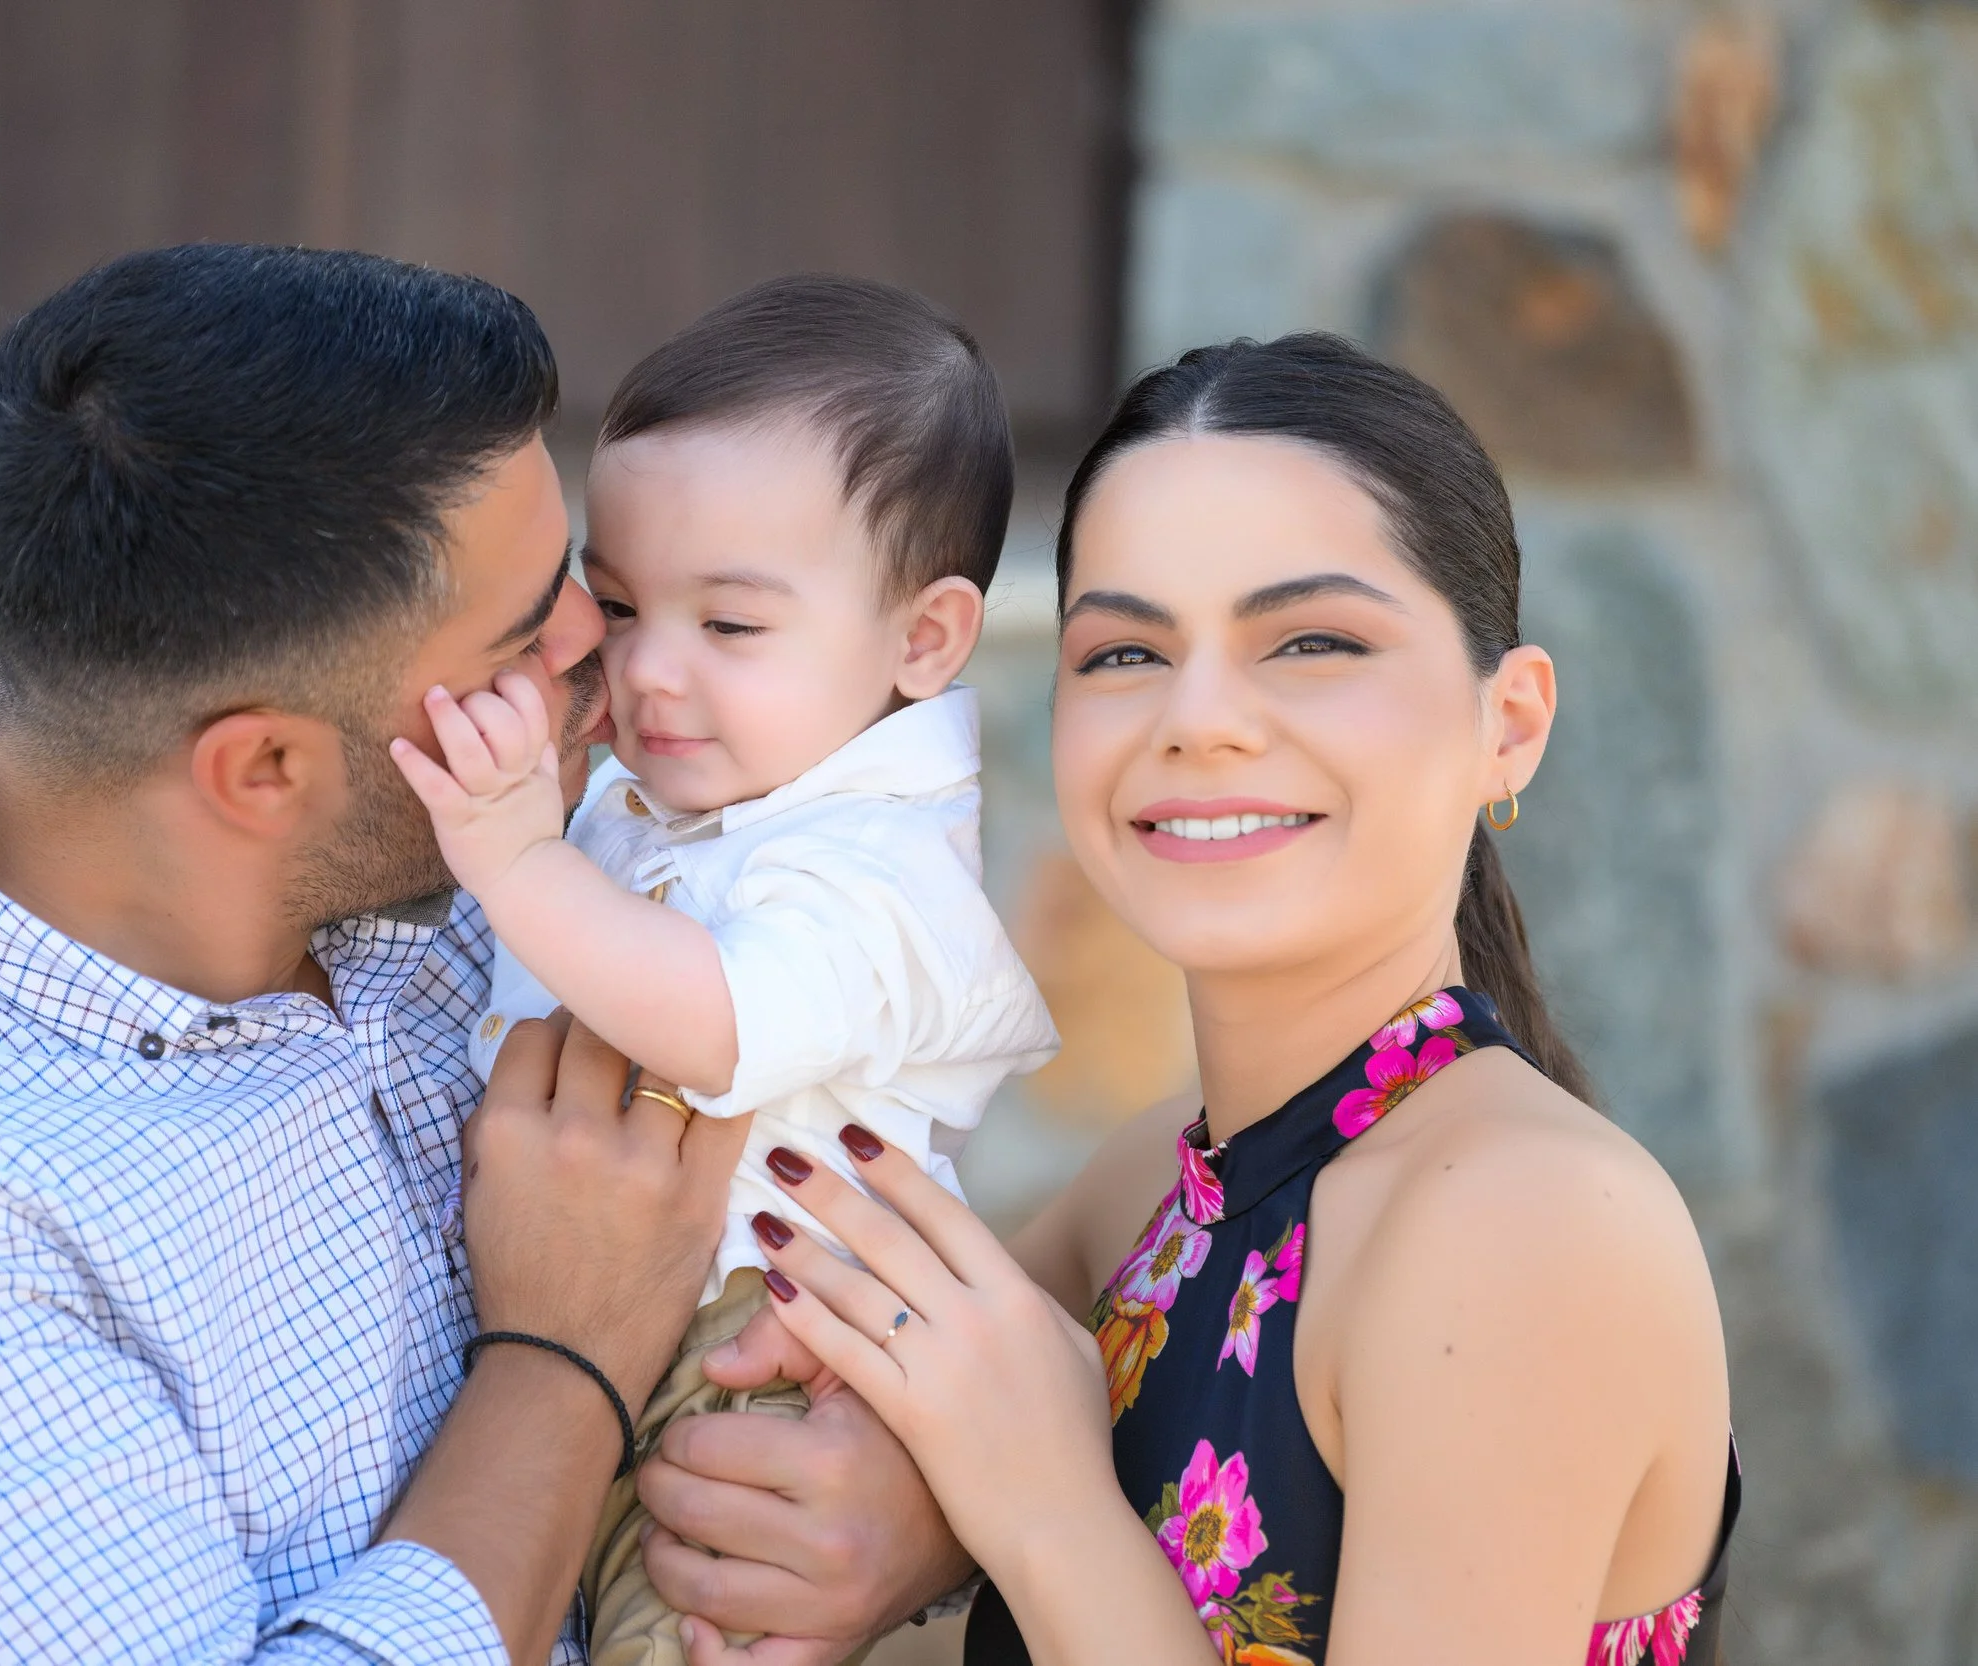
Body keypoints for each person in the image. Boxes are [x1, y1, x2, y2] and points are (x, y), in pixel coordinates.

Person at [0, 245, 965, 1666]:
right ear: (263, 770)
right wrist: (563, 1363)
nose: (596, 645)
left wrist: (917, 1517)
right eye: (527, 625)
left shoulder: (479, 845)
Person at [715, 335, 1739, 1665]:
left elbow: (1031, 1485)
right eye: (1126, 652)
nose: (1199, 718)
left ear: (1511, 722)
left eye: (1313, 640)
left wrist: (1037, 1508)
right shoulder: (1145, 1188)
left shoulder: (1526, 1221)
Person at [392, 275, 1058, 1663]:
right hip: (591, 1283)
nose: (649, 673)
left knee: (682, 1632)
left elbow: (716, 1020)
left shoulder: (881, 866)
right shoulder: (681, 800)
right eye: (623, 605)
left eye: (731, 625)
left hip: (751, 1348)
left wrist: (517, 861)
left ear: (921, 639)